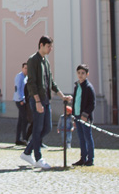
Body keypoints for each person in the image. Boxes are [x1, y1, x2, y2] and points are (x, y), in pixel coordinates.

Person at [22, 35, 66, 170]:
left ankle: (27, 152)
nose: (50, 49)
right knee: (37, 128)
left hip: (46, 100)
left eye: (51, 46)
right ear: (41, 45)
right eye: (48, 46)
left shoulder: (45, 61)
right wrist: (37, 101)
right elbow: (32, 83)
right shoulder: (33, 60)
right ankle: (38, 158)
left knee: (47, 128)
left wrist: (62, 96)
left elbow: (51, 82)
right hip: (37, 100)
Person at [71, 64, 96, 166]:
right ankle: (83, 158)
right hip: (77, 116)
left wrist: (85, 114)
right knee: (81, 138)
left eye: (83, 73)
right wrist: (73, 116)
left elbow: (92, 104)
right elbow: (75, 102)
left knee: (88, 137)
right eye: (79, 73)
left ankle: (90, 159)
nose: (80, 75)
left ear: (87, 74)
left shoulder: (88, 87)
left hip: (85, 117)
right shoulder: (77, 86)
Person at [14, 62, 30, 146]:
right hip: (20, 100)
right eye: (25, 68)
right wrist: (21, 99)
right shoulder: (19, 77)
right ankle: (24, 138)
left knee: (21, 120)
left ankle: (18, 139)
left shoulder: (26, 77)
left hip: (24, 100)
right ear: (22, 68)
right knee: (25, 119)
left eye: (28, 68)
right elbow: (18, 88)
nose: (26, 70)